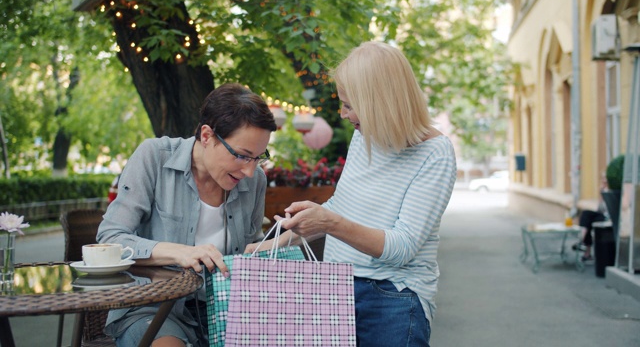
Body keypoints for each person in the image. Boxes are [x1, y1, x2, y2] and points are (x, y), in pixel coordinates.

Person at [247, 41, 457, 346]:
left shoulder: (435, 153)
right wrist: (276, 241)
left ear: (379, 103)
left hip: (392, 300)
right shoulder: (365, 136)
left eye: (349, 104)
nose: (343, 114)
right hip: (337, 288)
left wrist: (328, 222)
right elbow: (343, 208)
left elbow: (402, 247)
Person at [97, 83, 277, 347]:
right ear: (207, 135)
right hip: (153, 308)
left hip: (229, 310)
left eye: (259, 158)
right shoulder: (154, 158)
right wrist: (178, 252)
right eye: (242, 156)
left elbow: (250, 254)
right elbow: (109, 240)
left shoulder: (255, 180)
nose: (250, 171)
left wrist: (283, 241)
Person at [574, 174, 610, 262]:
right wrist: (601, 195)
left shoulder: (612, 191)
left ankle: (581, 242)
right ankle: (586, 250)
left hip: (608, 217)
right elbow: (600, 208)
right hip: (602, 215)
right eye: (602, 179)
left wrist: (605, 193)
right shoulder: (603, 191)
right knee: (586, 218)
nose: (603, 181)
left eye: (605, 178)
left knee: (587, 218)